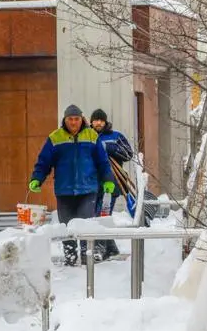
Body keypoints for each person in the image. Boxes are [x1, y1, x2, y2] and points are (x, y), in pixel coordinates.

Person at [29, 105, 115, 266]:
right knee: (66, 225)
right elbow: (44, 162)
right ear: (65, 119)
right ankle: (70, 255)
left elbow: (102, 162)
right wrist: (37, 178)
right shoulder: (55, 137)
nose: (73, 122)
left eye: (76, 119)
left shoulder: (91, 136)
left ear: (81, 118)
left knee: (85, 222)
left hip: (88, 188)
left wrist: (108, 180)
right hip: (64, 190)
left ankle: (86, 255)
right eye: (70, 119)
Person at [90, 109, 134, 260]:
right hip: (93, 183)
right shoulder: (88, 136)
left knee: (102, 216)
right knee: (95, 216)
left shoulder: (116, 136)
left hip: (112, 183)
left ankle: (100, 249)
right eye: (96, 120)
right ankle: (111, 248)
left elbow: (129, 154)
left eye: (101, 120)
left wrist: (112, 149)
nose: (98, 123)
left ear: (105, 121)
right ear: (91, 122)